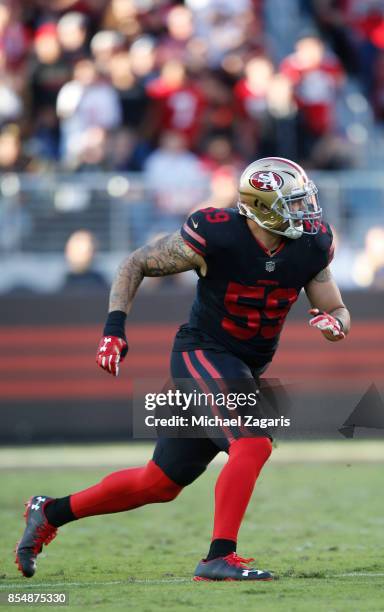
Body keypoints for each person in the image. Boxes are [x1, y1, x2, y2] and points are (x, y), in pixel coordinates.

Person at [15, 157, 351, 582]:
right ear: (262, 206)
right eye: (293, 203)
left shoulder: (312, 243)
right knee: (253, 444)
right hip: (203, 353)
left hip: (242, 366)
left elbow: (337, 307)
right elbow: (135, 263)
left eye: (306, 201)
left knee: (159, 483)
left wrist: (335, 324)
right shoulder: (217, 232)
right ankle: (218, 557)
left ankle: (49, 512)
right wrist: (113, 329)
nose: (307, 212)